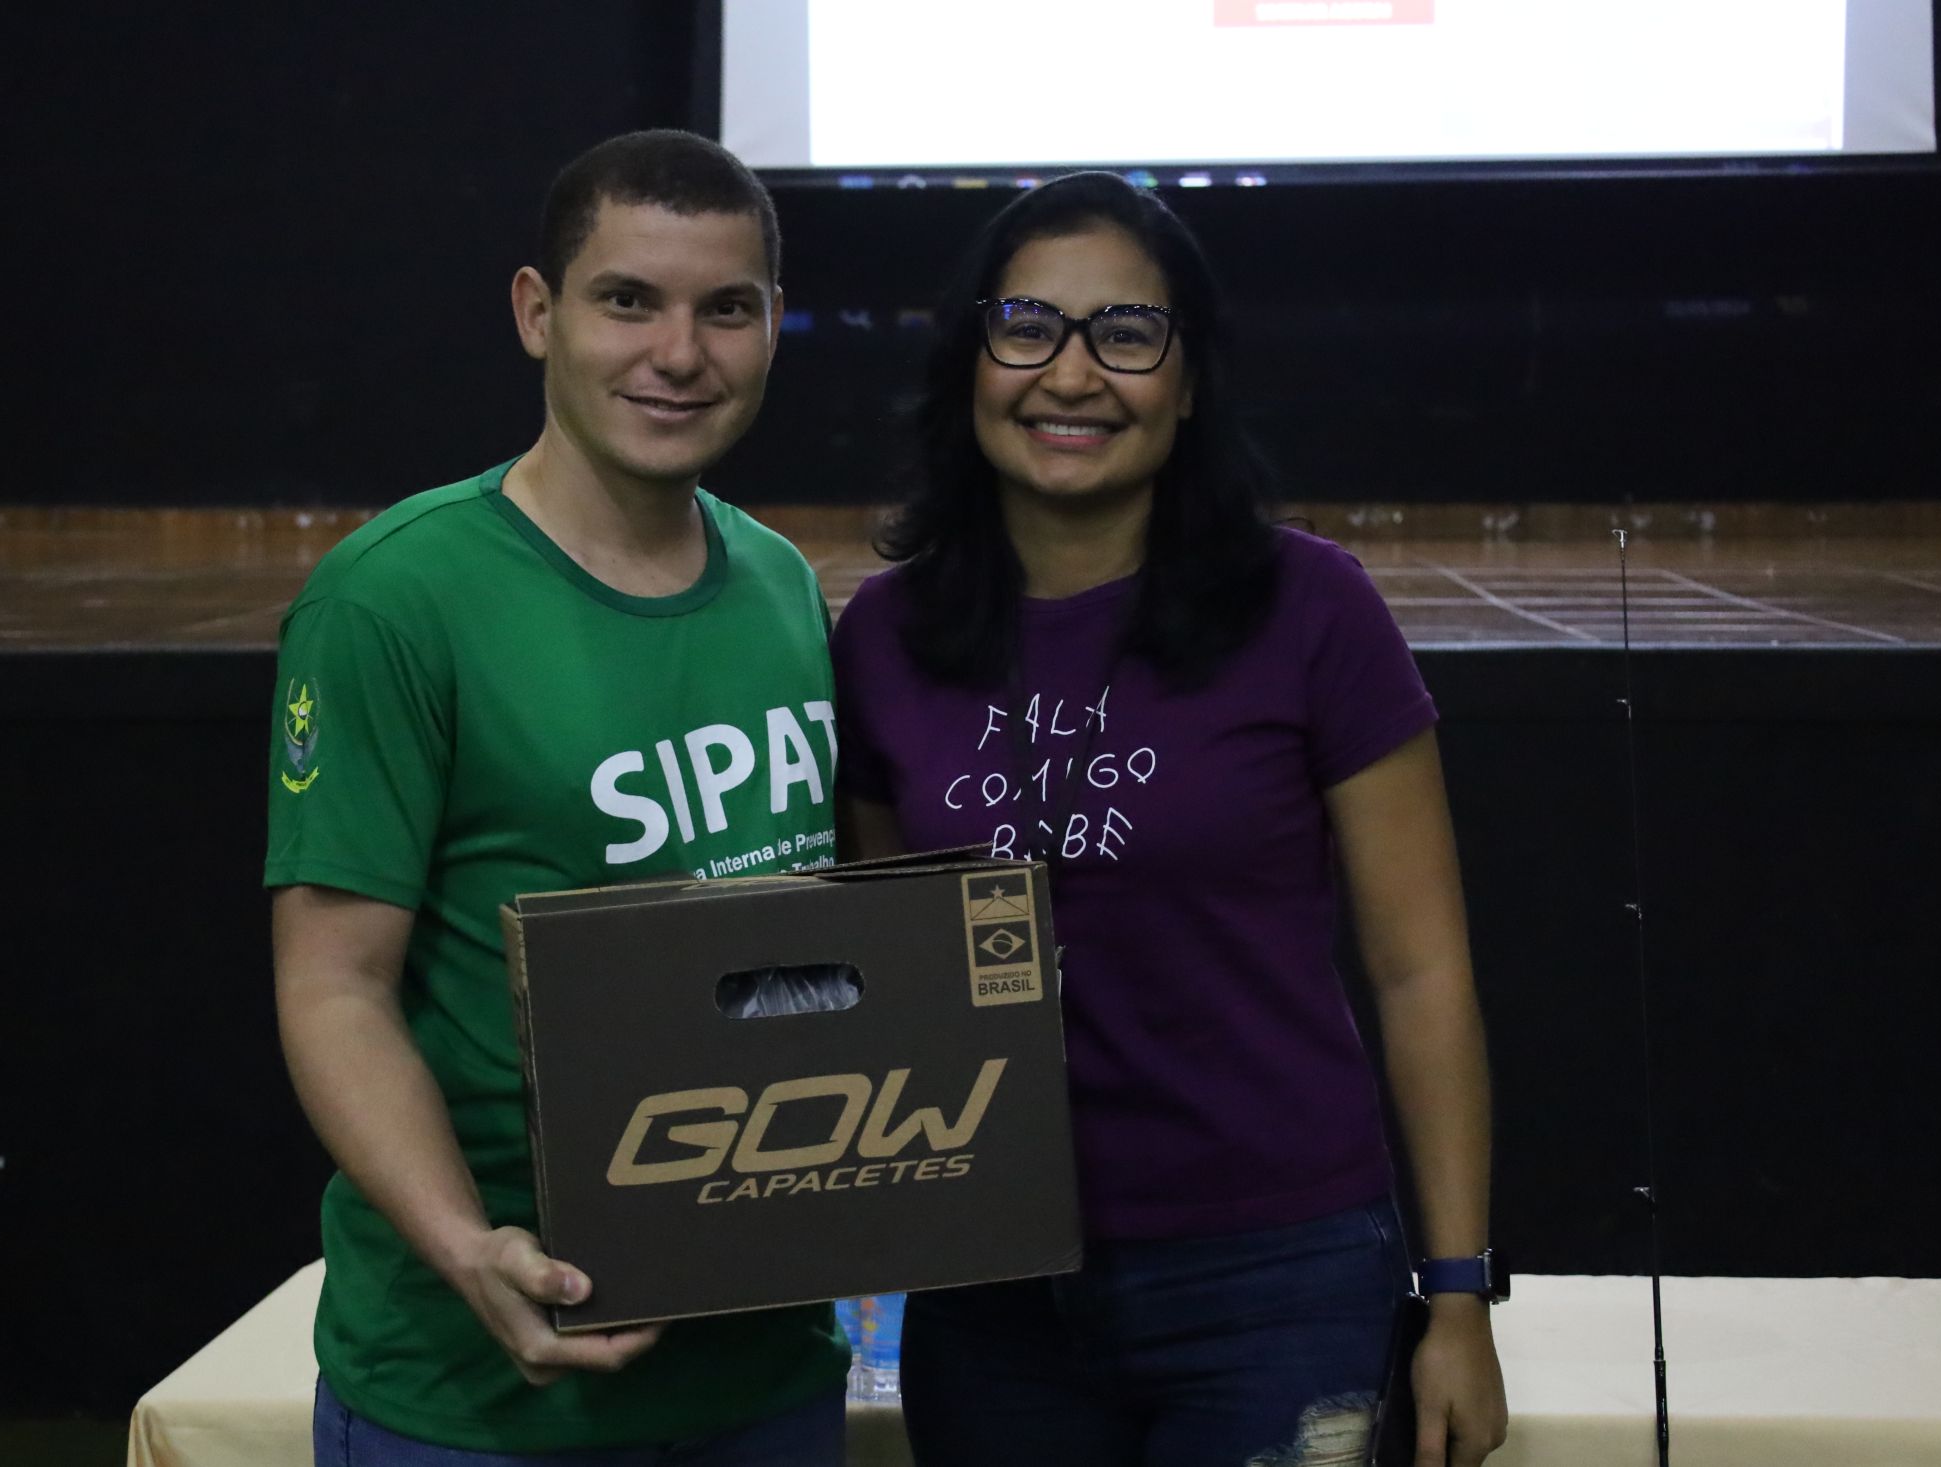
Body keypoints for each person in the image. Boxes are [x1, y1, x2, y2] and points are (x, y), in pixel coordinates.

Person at [830, 172, 1509, 1467]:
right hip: (995, 1298)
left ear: (1188, 383)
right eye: (1028, 326)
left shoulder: (1312, 608)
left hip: (1277, 1279)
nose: (1071, 374)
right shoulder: (884, 637)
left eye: (1127, 334)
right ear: (971, 360)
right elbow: (888, 978)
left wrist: (1461, 1296)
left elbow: (1421, 973)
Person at [265, 130, 846, 1465]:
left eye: (727, 310)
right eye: (628, 300)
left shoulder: (779, 584)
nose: (678, 354)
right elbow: (333, 986)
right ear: (539, 313)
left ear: (773, 326)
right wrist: (468, 1246)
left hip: (763, 1370)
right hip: (480, 1398)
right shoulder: (393, 599)